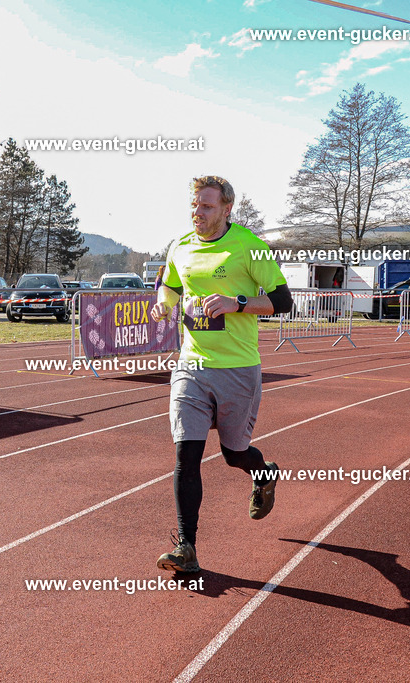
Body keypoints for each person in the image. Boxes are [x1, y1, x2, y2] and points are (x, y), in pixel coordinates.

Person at [151, 175, 293, 573]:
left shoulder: (251, 247)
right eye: (195, 205)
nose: (198, 213)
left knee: (234, 454)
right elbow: (170, 287)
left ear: (227, 209)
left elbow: (284, 301)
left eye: (207, 207)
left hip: (237, 369)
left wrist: (237, 302)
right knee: (186, 455)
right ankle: (186, 548)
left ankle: (263, 474)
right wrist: (162, 305)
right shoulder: (180, 245)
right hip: (192, 366)